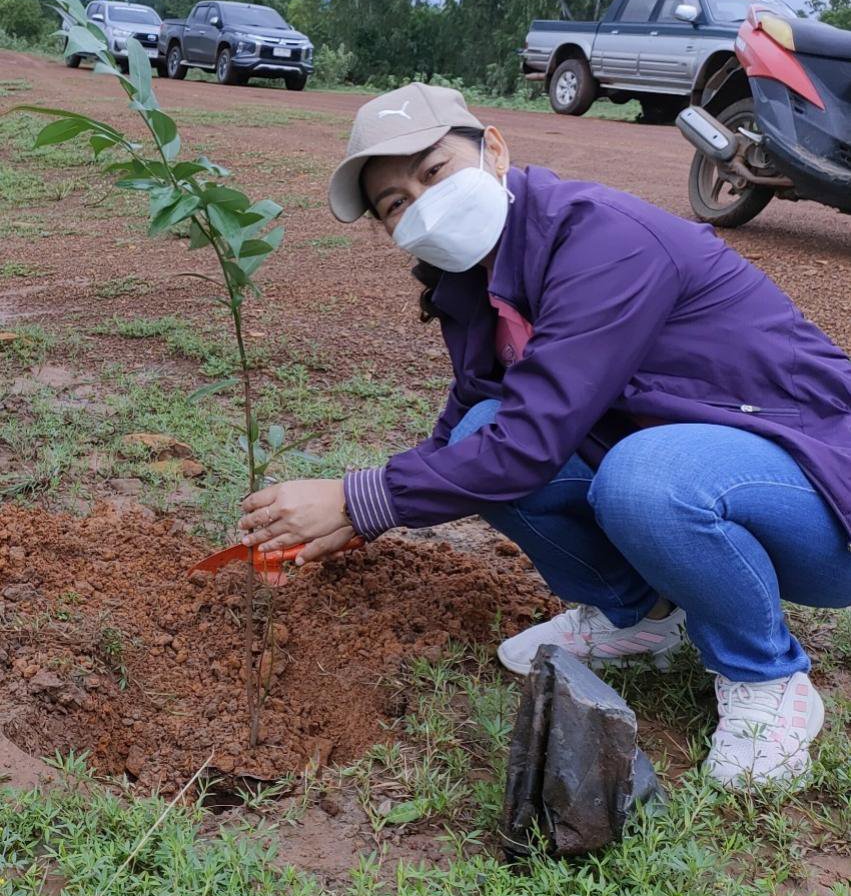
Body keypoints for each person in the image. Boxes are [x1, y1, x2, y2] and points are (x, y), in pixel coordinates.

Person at [239, 82, 851, 789]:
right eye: (395, 202)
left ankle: (765, 676)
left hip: (820, 498)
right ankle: (641, 617)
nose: (422, 201)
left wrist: (358, 497)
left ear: (493, 149)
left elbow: (529, 443)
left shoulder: (606, 241)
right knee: (482, 431)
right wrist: (361, 516)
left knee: (641, 476)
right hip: (709, 476)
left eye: (433, 172)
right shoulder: (469, 281)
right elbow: (475, 423)